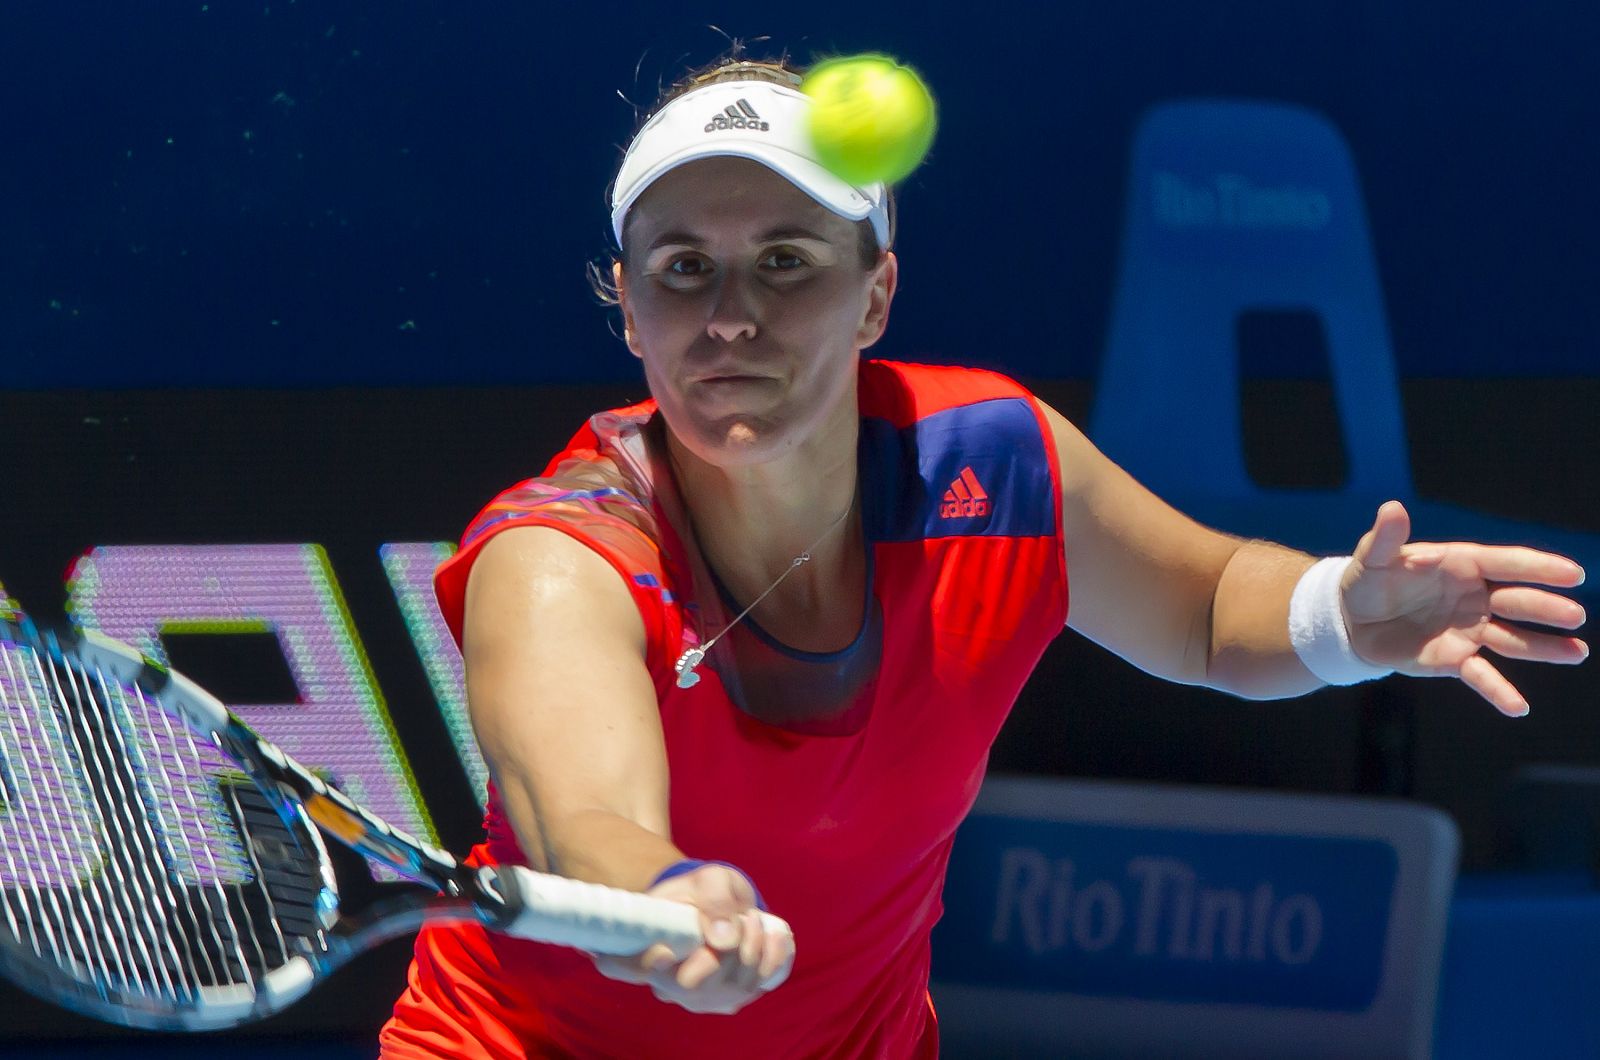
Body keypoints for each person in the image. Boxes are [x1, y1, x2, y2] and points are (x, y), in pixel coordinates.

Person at [378, 55, 1588, 1059]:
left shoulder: (996, 465)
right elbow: (581, 810)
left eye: (787, 261)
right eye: (682, 267)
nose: (729, 314)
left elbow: (1210, 605)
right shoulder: (559, 555)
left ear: (874, 295)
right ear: (629, 308)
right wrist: (661, 896)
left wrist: (1338, 613)